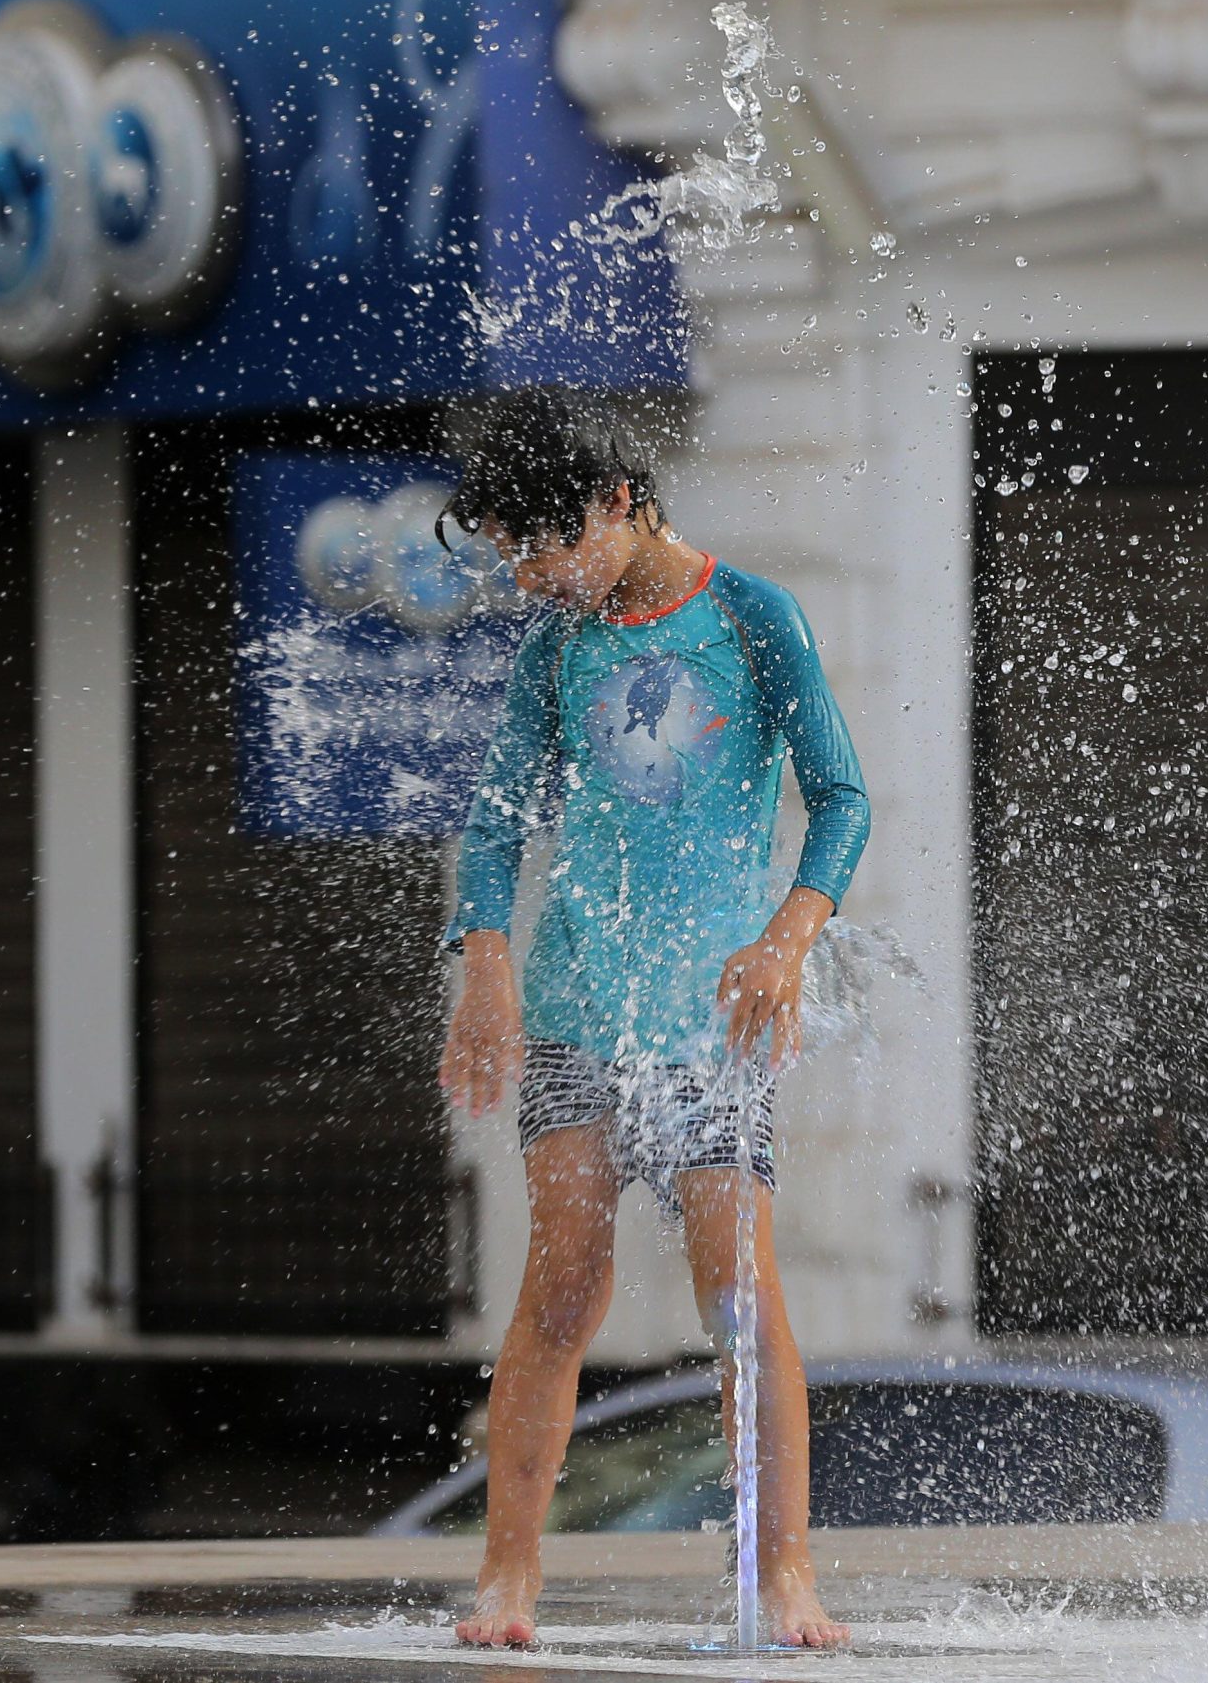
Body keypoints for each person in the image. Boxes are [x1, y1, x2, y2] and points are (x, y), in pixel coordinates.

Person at [432, 391, 870, 1650]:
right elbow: (498, 820)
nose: (530, 579)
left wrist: (787, 939)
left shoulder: (752, 616)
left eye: (541, 548)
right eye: (511, 557)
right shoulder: (555, 653)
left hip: (714, 1023)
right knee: (562, 1282)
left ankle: (783, 1572)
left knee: (739, 1289)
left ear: (618, 503)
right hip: (576, 1010)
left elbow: (842, 797)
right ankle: (507, 1582)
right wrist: (487, 965)